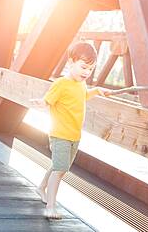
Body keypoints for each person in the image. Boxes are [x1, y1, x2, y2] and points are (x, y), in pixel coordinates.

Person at [30, 41, 110, 219]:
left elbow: (82, 97)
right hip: (60, 135)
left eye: (90, 69)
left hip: (74, 136)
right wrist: (41, 102)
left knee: (61, 167)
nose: (86, 73)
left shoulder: (81, 84)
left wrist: (96, 90)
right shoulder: (61, 83)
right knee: (59, 170)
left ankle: (41, 188)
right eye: (83, 67)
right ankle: (50, 206)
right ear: (70, 62)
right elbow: (48, 100)